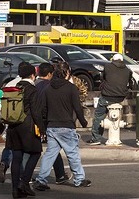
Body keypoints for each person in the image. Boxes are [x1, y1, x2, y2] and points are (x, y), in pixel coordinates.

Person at [33, 61, 90, 189]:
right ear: (67, 73)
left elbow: (43, 109)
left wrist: (43, 125)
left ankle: (41, 180)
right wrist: (83, 121)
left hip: (51, 126)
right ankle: (79, 179)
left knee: (50, 154)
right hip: (66, 125)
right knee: (72, 153)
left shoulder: (48, 88)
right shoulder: (71, 88)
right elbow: (77, 107)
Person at [7, 62, 42, 198]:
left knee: (17, 157)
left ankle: (15, 189)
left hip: (13, 126)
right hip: (27, 126)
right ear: (33, 75)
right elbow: (36, 112)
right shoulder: (32, 90)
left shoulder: (15, 87)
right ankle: (25, 182)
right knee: (36, 152)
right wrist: (42, 128)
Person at [87, 54, 129, 146]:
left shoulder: (108, 67)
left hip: (107, 96)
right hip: (120, 97)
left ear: (113, 60)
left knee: (99, 115)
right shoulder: (127, 70)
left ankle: (96, 138)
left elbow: (103, 78)